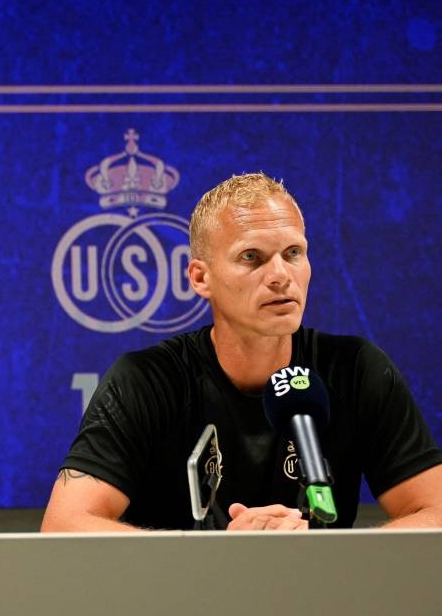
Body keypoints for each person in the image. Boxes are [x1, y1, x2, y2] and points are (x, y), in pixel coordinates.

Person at [41, 173, 442, 532]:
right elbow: (64, 525)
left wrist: (325, 553)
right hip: (180, 601)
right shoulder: (146, 380)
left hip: (320, 599)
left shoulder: (356, 370)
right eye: (252, 258)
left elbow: (436, 512)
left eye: (293, 253)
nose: (281, 276)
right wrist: (222, 556)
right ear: (201, 277)